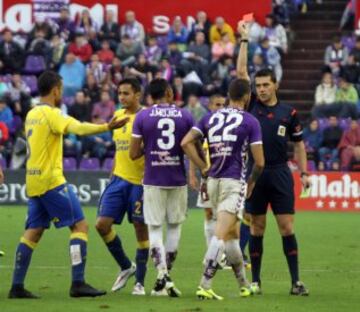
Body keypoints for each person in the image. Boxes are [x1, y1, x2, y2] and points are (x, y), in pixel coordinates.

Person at [8, 70, 129, 299]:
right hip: (51, 181)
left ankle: (16, 286)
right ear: (55, 90)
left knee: (32, 233)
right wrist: (106, 127)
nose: (61, 93)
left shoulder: (32, 113)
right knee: (80, 226)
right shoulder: (51, 113)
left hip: (33, 180)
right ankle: (78, 283)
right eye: (61, 89)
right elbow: (79, 128)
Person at [237, 22, 310, 296]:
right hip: (255, 173)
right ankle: (255, 281)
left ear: (275, 85)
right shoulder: (251, 105)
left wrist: (304, 173)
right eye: (259, 86)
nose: (262, 89)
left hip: (280, 172)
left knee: (286, 226)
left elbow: (300, 145)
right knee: (257, 227)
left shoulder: (288, 113)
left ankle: (295, 281)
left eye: (266, 85)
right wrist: (244, 39)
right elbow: (241, 72)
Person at [181, 78, 264, 300]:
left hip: (213, 183)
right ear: (247, 96)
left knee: (231, 238)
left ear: (228, 95)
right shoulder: (250, 121)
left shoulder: (209, 117)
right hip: (233, 182)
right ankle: (205, 284)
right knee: (220, 234)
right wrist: (252, 183)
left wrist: (203, 168)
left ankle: (244, 285)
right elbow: (260, 162)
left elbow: (186, 142)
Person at [130, 79, 194, 297]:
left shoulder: (142, 116)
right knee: (175, 227)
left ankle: (161, 275)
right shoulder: (185, 116)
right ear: (169, 92)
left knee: (155, 229)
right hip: (177, 178)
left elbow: (133, 153)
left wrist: (150, 149)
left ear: (150, 96)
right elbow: (190, 148)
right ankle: (164, 280)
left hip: (153, 179)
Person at [95, 78, 149, 296]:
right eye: (120, 93)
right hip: (118, 179)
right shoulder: (117, 116)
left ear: (138, 95)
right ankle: (126, 266)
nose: (122, 97)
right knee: (101, 225)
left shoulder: (146, 117)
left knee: (140, 229)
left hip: (140, 182)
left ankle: (140, 282)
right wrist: (111, 177)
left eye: (126, 93)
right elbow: (120, 150)